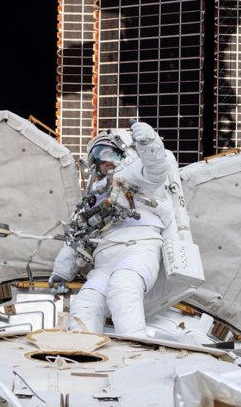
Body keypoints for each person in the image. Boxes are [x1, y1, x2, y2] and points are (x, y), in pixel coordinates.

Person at [49, 120, 173, 336]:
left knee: (123, 290)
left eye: (111, 155)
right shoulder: (91, 198)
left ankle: (135, 347)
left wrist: (149, 143)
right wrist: (60, 274)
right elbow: (76, 237)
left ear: (125, 153)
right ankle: (82, 350)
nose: (107, 162)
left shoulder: (134, 175)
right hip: (104, 260)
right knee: (86, 305)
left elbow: (156, 169)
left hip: (137, 248)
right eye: (100, 158)